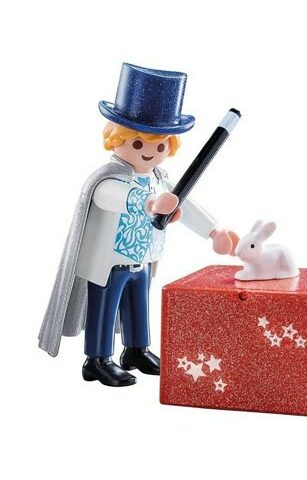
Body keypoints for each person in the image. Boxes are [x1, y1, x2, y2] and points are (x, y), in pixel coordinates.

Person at [38, 63, 239, 387]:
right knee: (104, 309)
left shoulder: (159, 179)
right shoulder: (109, 178)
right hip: (110, 264)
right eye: (137, 144)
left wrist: (213, 230)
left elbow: (183, 203)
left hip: (143, 260)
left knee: (138, 306)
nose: (149, 153)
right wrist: (149, 203)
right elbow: (110, 196)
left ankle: (136, 350)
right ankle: (97, 359)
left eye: (159, 146)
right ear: (116, 139)